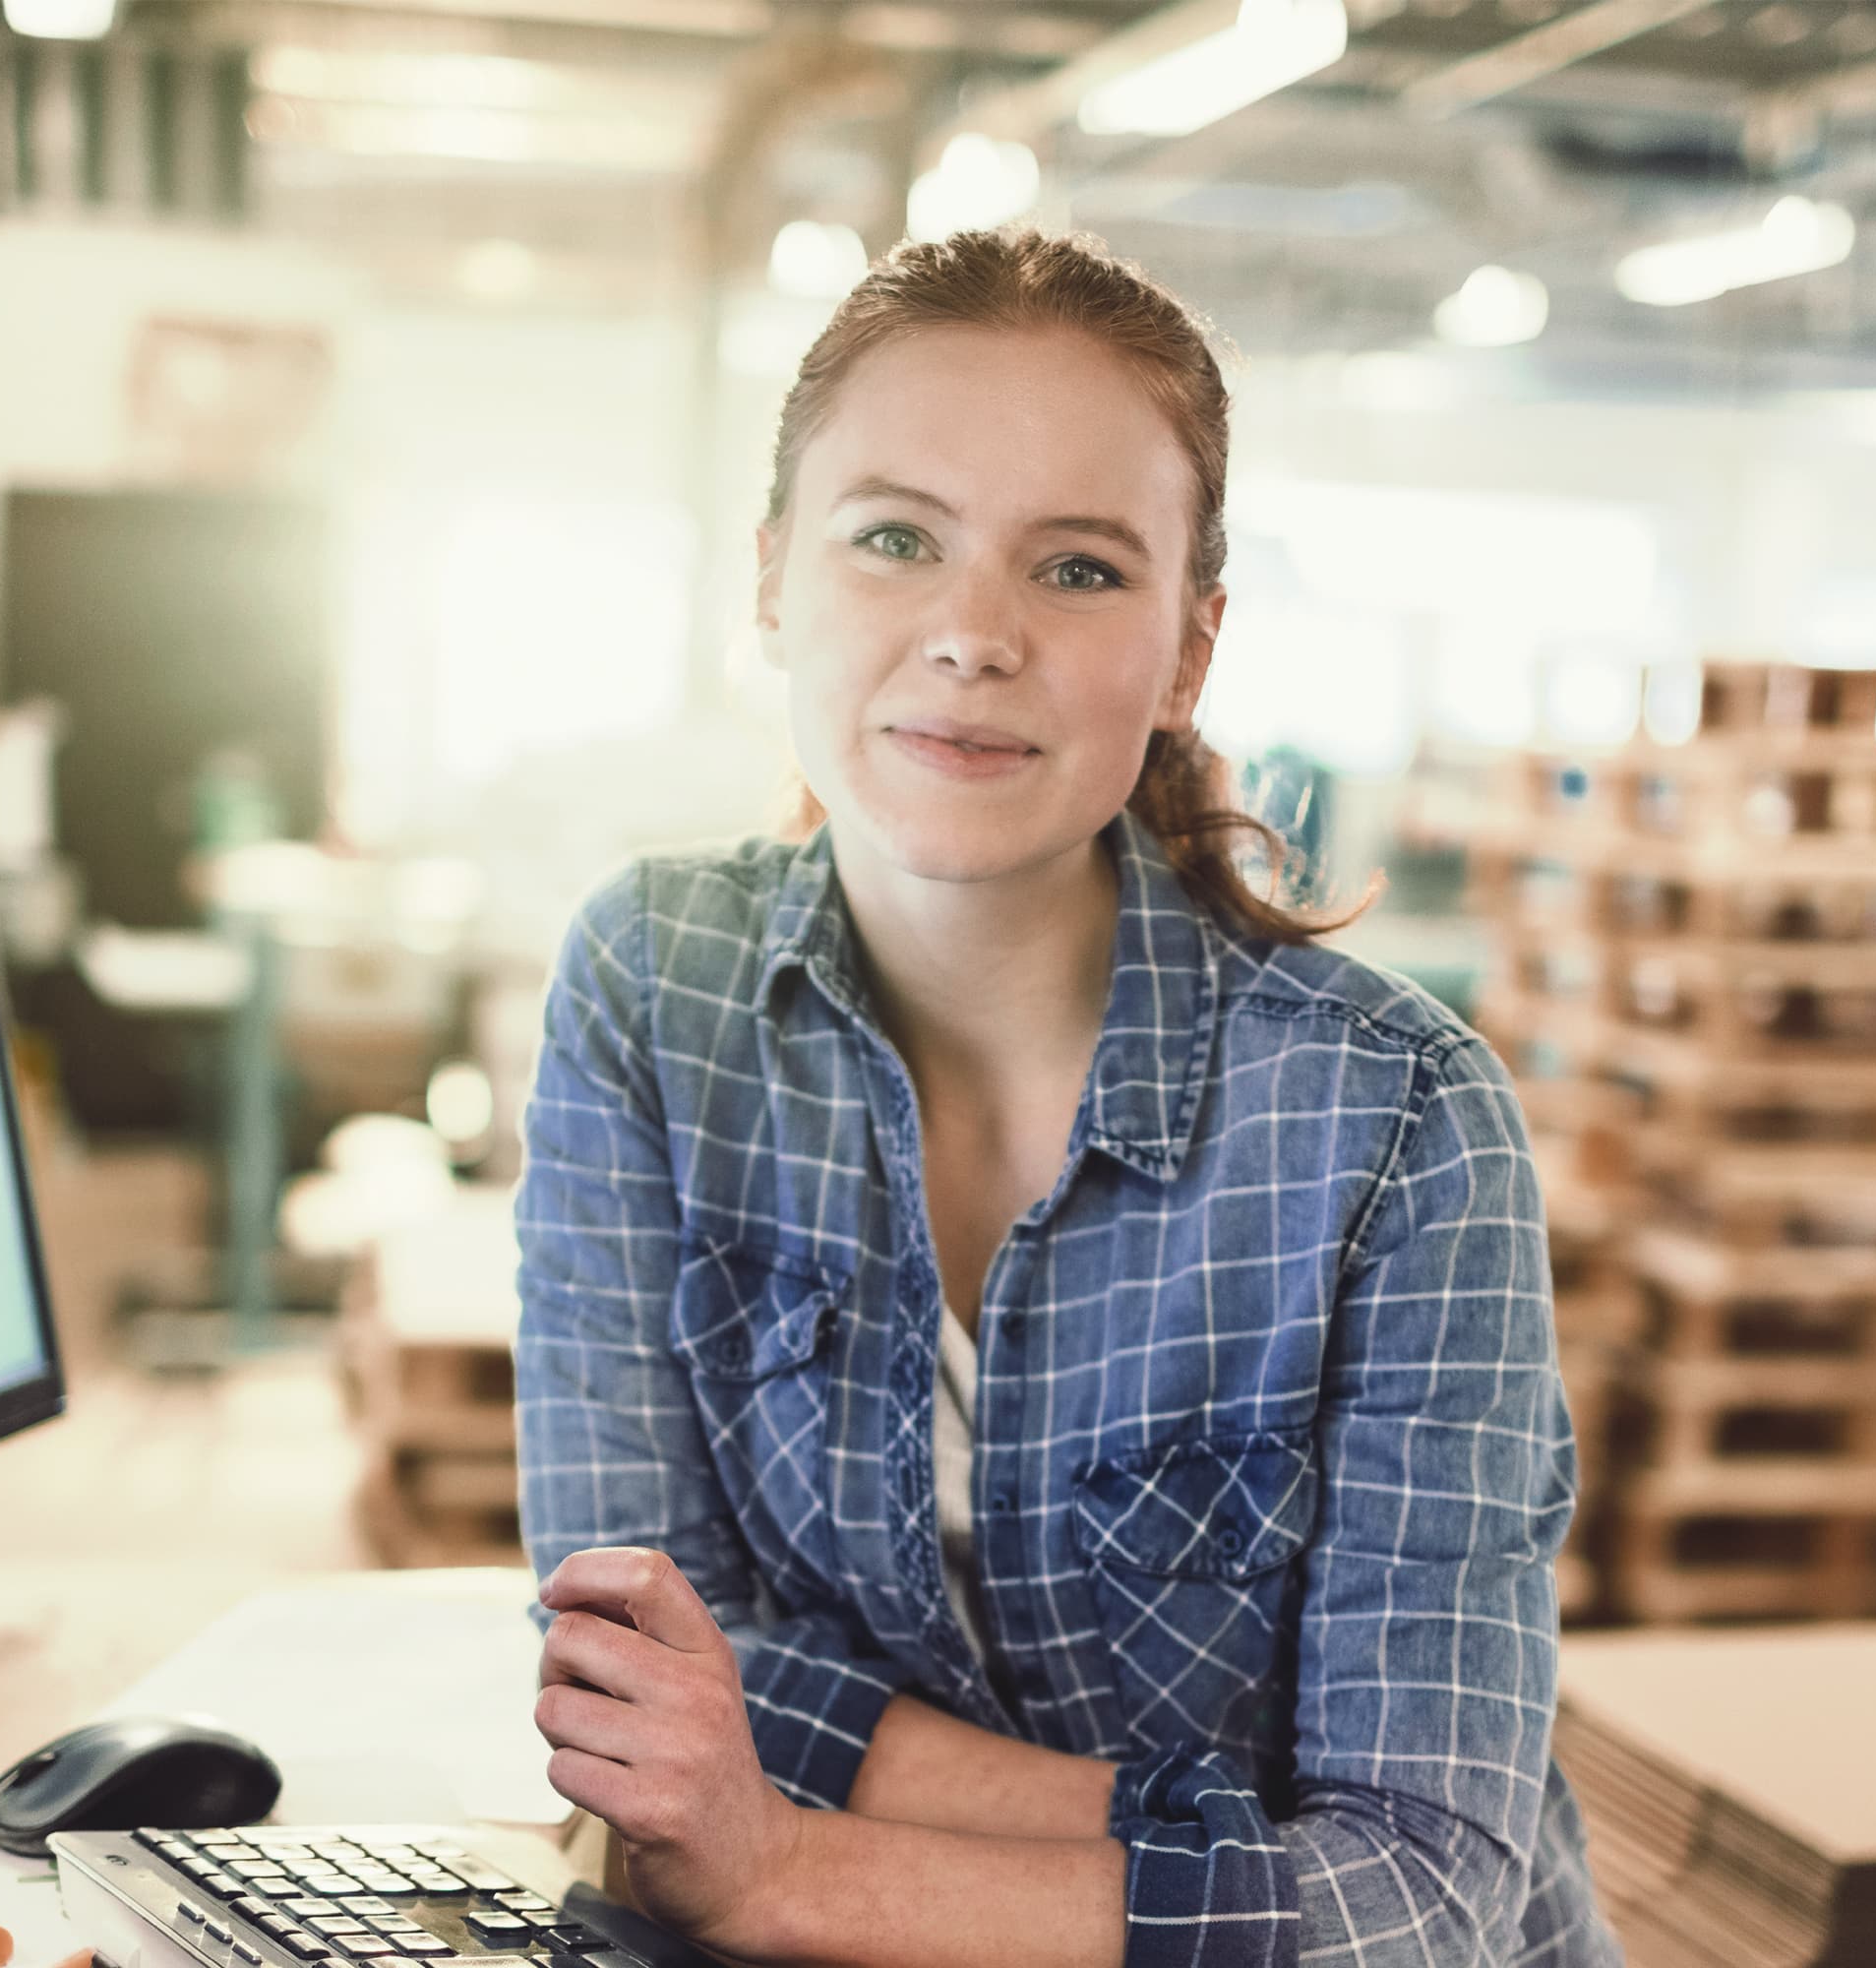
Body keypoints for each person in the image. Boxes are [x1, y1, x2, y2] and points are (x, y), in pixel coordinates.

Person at [512, 225, 1621, 1968]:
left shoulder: (1396, 1124)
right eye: (894, 539)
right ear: (774, 582)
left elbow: (1422, 1897)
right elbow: (634, 1654)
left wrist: (785, 1865)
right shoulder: (654, 991)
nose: (970, 636)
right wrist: (1212, 1837)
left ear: (1189, 650)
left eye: (1082, 571)